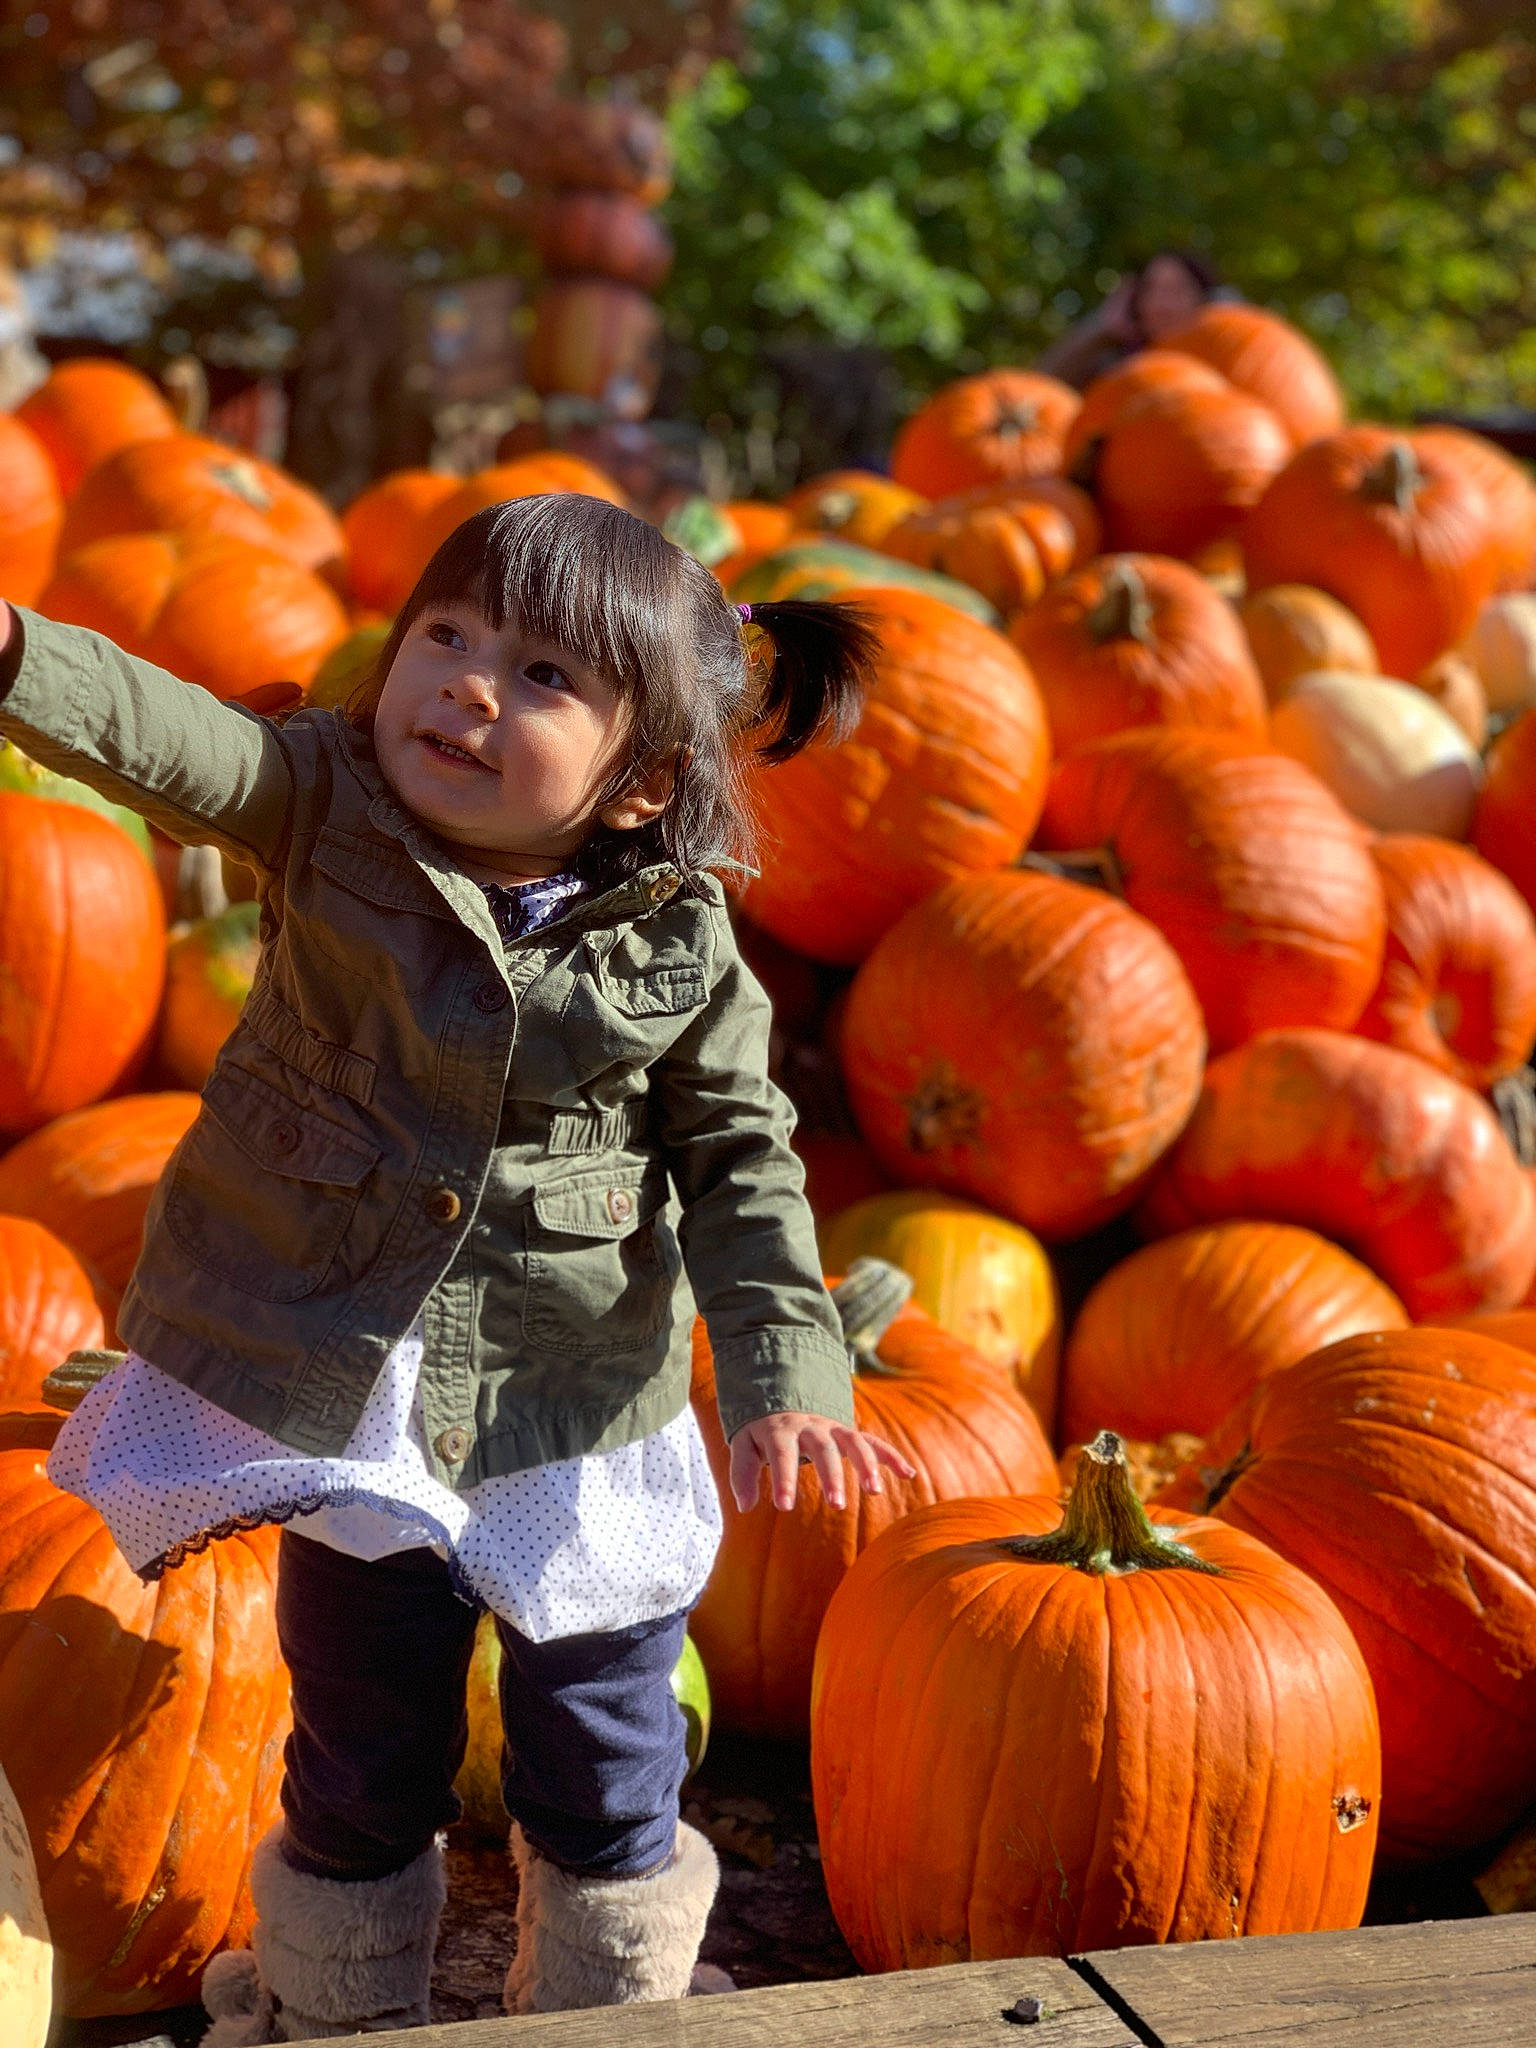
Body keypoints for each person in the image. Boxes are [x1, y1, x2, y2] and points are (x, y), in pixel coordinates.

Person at [0, 493, 916, 2041]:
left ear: (642, 787)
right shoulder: (324, 805)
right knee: (360, 1745)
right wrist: (22, 658)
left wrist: (785, 1365)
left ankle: (608, 2008)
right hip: (356, 1394)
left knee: (607, 1753)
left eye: (546, 674)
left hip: (576, 1414)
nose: (473, 685)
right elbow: (178, 741)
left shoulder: (684, 956)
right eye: (449, 635)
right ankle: (336, 2009)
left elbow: (745, 1169)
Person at [1036, 248, 1225, 391]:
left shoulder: (1225, 362)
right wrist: (1103, 327)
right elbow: (1038, 391)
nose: (1162, 302)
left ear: (1205, 299)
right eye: (1152, 289)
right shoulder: (1114, 366)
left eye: (1177, 289)